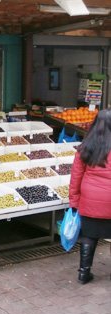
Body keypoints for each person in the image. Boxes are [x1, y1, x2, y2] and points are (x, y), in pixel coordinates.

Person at [69, 108, 111, 284]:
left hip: (90, 198)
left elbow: (76, 177)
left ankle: (83, 273)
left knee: (89, 236)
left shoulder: (85, 147)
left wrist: (73, 200)